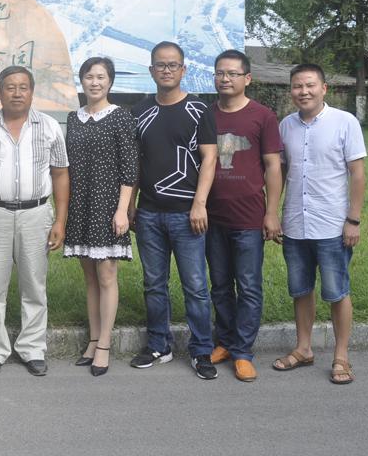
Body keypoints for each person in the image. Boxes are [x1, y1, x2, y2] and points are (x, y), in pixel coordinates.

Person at [129, 41, 219, 380]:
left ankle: (201, 350)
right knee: (154, 283)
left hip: (187, 214)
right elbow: (135, 164)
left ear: (183, 70)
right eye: (160, 65)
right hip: (149, 213)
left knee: (195, 286)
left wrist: (199, 204)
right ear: (151, 70)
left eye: (173, 65)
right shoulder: (138, 111)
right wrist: (132, 204)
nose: (166, 70)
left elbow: (209, 158)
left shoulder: (198, 110)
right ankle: (159, 345)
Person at [0, 66, 70, 377]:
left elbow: (60, 174)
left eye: (23, 87)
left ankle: (32, 348)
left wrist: (60, 221)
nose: (17, 93)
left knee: (34, 286)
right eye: (10, 87)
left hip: (36, 214)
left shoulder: (50, 127)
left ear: (32, 91)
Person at [273, 63, 366, 385]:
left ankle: (341, 356)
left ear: (324, 88)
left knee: (337, 291)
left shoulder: (345, 122)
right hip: (295, 223)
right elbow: (280, 173)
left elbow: (358, 173)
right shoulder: (286, 125)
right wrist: (273, 213)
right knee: (300, 290)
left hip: (332, 225)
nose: (304, 92)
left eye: (310, 85)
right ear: (291, 91)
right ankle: (303, 348)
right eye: (297, 86)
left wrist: (353, 220)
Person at [202, 49, 283, 382]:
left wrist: (272, 212)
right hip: (212, 216)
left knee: (248, 286)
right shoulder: (205, 115)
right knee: (220, 285)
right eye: (220, 73)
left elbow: (273, 166)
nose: (225, 79)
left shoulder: (262, 116)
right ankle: (224, 341)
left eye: (233, 73)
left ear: (247, 78)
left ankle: (243, 351)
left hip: (249, 217)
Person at [63, 57, 138, 377]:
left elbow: (130, 167)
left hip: (108, 206)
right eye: (89, 77)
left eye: (101, 77)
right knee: (90, 278)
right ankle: (93, 340)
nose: (95, 82)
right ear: (81, 81)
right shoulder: (74, 118)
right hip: (80, 205)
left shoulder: (120, 116)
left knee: (107, 276)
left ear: (110, 81)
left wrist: (122, 210)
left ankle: (105, 344)